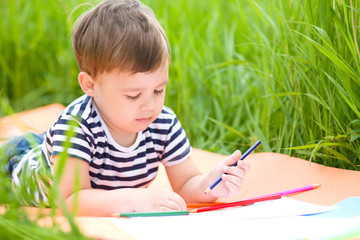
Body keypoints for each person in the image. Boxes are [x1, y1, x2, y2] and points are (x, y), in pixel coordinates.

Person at [2, 0, 250, 217]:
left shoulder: (163, 122)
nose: (150, 105)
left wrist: (211, 184)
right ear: (90, 85)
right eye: (133, 95)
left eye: (158, 90)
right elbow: (71, 200)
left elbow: (186, 182)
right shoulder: (75, 127)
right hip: (16, 165)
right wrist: (134, 200)